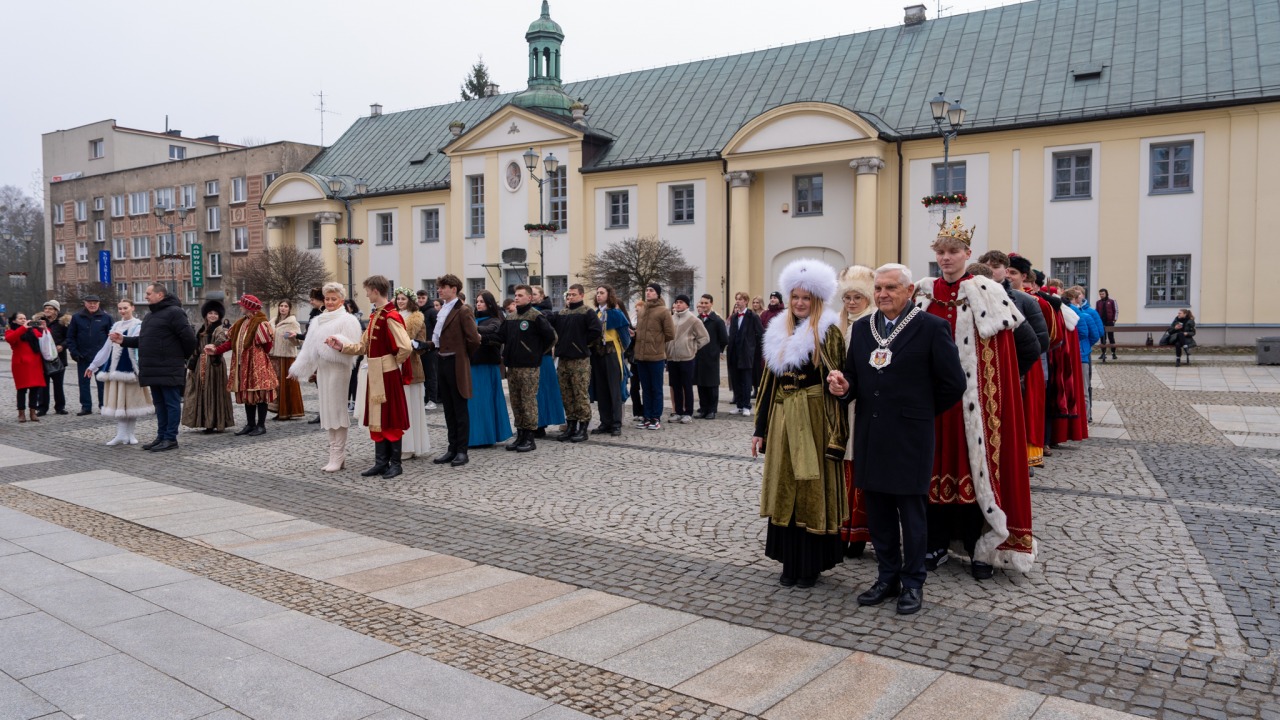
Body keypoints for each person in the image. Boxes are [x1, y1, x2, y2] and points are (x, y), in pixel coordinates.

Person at [827, 264, 966, 614]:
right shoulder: (862, 329)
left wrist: (919, 412)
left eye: (891, 288)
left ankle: (913, 582)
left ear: (909, 292)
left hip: (911, 437)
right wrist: (844, 388)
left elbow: (953, 384)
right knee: (879, 513)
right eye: (879, 288)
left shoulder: (931, 327)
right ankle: (886, 576)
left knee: (912, 515)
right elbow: (854, 377)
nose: (883, 294)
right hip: (871, 435)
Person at [914, 217, 1037, 579]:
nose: (946, 258)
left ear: (968, 254)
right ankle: (933, 543)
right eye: (941, 252)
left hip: (977, 407)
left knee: (975, 467)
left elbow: (1012, 351)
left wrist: (1001, 392)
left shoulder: (986, 292)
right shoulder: (922, 294)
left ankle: (977, 546)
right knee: (931, 469)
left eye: (953, 251)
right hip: (932, 403)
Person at [751, 259, 848, 589]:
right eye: (795, 297)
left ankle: (810, 563)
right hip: (781, 418)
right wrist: (759, 429)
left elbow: (838, 381)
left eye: (806, 298)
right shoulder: (778, 330)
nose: (800, 303)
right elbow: (768, 384)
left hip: (814, 418)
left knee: (811, 485)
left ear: (817, 300)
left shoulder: (827, 332)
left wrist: (837, 433)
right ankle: (789, 559)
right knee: (784, 483)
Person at [328, 275, 412, 478]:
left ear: (375, 290)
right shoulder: (376, 316)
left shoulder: (391, 316)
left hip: (386, 374)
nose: (365, 294)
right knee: (378, 417)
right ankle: (381, 462)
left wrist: (392, 363)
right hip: (375, 373)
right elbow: (363, 346)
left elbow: (406, 346)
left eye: (367, 290)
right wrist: (342, 346)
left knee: (390, 418)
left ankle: (396, 464)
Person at [114, 283, 198, 452]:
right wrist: (124, 340)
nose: (145, 296)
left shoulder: (175, 312)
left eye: (148, 293)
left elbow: (189, 339)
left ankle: (170, 438)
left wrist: (180, 358)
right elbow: (145, 341)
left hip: (169, 367)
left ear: (160, 295)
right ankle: (161, 436)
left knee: (171, 404)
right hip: (153, 369)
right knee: (159, 405)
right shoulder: (151, 316)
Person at [290, 282, 362, 471]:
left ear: (341, 300)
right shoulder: (317, 320)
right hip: (323, 369)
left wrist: (338, 343)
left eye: (333, 299)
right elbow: (308, 348)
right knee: (327, 410)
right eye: (327, 299)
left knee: (337, 409)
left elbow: (354, 347)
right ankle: (334, 454)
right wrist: (298, 369)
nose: (330, 302)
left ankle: (338, 454)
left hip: (338, 368)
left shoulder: (348, 320)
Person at [835, 265, 877, 559]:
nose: (851, 302)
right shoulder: (841, 325)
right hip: (842, 405)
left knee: (860, 463)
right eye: (847, 297)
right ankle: (843, 526)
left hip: (863, 406)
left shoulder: (871, 324)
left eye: (857, 297)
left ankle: (860, 531)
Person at [206, 294, 278, 438]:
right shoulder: (241, 323)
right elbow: (230, 343)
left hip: (256, 364)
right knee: (246, 393)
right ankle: (250, 424)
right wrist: (216, 349)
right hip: (241, 364)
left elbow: (268, 345)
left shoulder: (260, 324)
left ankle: (261, 425)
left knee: (259, 393)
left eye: (242, 305)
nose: (240, 307)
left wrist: (257, 357)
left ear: (248, 307)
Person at [429, 274, 481, 467]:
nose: (439, 290)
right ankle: (451, 448)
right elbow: (437, 337)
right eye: (439, 287)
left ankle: (462, 451)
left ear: (453, 288)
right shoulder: (443, 309)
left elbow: (474, 339)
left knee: (460, 409)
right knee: (449, 409)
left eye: (443, 287)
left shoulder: (463, 309)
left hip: (456, 362)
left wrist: (462, 355)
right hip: (442, 361)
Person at [85, 299, 152, 445]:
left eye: (125, 308)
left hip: (131, 369)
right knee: (119, 403)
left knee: (132, 403)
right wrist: (93, 365)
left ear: (132, 308)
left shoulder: (138, 325)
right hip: (115, 369)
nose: (122, 311)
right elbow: (106, 348)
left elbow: (140, 345)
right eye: (120, 308)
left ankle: (130, 434)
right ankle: (121, 434)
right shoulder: (116, 325)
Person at [502, 284, 557, 452]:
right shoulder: (511, 317)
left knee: (528, 402)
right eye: (515, 295)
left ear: (529, 298)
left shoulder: (536, 316)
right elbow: (500, 336)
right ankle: (520, 435)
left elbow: (551, 337)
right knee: (516, 402)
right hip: (513, 366)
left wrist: (536, 353)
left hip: (529, 367)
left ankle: (530, 437)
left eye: (520, 295)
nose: (516, 298)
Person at [551, 284, 601, 442]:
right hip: (564, 358)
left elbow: (596, 331)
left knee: (580, 394)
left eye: (573, 295)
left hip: (579, 359)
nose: (570, 297)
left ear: (581, 295)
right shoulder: (562, 313)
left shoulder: (587, 312)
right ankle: (571, 425)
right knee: (566, 394)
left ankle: (583, 427)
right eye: (568, 295)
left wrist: (581, 343)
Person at [467, 291, 513, 447]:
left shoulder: (495, 320)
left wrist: (473, 330)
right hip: (473, 365)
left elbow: (493, 332)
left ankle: (486, 436)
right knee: (474, 403)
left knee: (485, 402)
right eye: (477, 301)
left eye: (482, 301)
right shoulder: (473, 320)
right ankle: (475, 436)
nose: (478, 304)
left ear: (489, 303)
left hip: (486, 366)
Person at [182, 300, 235, 433]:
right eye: (210, 313)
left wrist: (214, 347)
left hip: (214, 365)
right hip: (201, 362)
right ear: (206, 315)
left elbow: (223, 343)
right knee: (202, 392)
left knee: (213, 392)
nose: (212, 315)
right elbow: (196, 347)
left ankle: (213, 422)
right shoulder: (202, 328)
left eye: (215, 313)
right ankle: (206, 421)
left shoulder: (219, 329)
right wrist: (192, 364)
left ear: (219, 316)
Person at [394, 287, 431, 459]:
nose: (400, 301)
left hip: (411, 366)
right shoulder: (393, 317)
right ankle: (398, 444)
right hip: (394, 365)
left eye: (403, 298)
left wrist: (412, 343)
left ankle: (411, 446)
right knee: (398, 407)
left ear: (410, 300)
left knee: (410, 407)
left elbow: (422, 346)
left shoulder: (417, 319)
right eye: (398, 298)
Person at [633, 284, 675, 430]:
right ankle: (647, 416)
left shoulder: (663, 311)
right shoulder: (642, 309)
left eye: (651, 291)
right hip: (641, 355)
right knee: (645, 388)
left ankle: (655, 417)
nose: (648, 293)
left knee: (656, 388)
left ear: (658, 293)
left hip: (656, 356)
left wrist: (656, 342)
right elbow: (640, 329)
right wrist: (636, 334)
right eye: (647, 290)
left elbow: (670, 334)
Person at [590, 285, 630, 436]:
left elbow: (625, 336)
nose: (598, 295)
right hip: (597, 354)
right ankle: (605, 422)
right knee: (601, 390)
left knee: (614, 389)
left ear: (609, 295)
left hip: (612, 354)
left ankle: (616, 423)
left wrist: (621, 350)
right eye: (597, 293)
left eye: (602, 293)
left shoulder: (615, 314)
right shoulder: (596, 314)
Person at [65, 294, 112, 416]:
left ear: (99, 304)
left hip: (101, 357)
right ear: (85, 303)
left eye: (95, 303)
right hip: (83, 356)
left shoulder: (106, 318)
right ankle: (86, 407)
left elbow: (111, 337)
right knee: (84, 383)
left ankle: (104, 405)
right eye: (90, 303)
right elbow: (70, 337)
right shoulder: (77, 317)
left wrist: (108, 354)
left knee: (102, 383)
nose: (92, 305)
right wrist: (74, 353)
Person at [666, 294, 709, 423]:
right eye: (676, 302)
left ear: (687, 305)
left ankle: (688, 412)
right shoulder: (670, 318)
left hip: (687, 358)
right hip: (672, 358)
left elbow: (705, 338)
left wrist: (693, 348)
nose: (678, 304)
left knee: (687, 386)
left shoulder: (693, 320)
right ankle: (678, 411)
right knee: (675, 385)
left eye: (681, 302)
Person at [529, 285, 566, 437]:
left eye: (535, 293)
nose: (532, 296)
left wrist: (543, 349)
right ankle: (533, 423)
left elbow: (551, 336)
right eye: (530, 293)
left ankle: (540, 424)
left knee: (542, 391)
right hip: (530, 357)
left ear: (542, 296)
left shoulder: (546, 313)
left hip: (542, 357)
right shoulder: (527, 311)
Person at [1065, 286, 1103, 423]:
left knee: (1085, 386)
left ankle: (1087, 416)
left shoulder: (1088, 313)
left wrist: (1085, 346)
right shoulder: (1076, 312)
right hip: (1077, 353)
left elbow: (1094, 334)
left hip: (1083, 353)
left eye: (1079, 294)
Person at [726, 291, 763, 416]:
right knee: (736, 380)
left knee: (746, 380)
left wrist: (753, 349)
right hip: (734, 353)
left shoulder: (752, 316)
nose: (738, 301)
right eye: (736, 299)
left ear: (746, 301)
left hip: (747, 354)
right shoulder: (735, 316)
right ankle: (739, 405)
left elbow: (761, 334)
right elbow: (731, 335)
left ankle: (747, 405)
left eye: (740, 299)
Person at [6, 313, 46, 423]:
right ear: (14, 321)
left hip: (35, 364)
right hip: (21, 364)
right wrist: (23, 328)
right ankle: (21, 413)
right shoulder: (12, 331)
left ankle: (33, 412)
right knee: (21, 389)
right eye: (20, 318)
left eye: (24, 318)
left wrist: (44, 329)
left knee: (35, 389)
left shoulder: (32, 330)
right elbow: (10, 339)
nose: (23, 320)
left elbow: (43, 338)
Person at [694, 294, 728, 419]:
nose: (703, 305)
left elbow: (724, 339)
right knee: (701, 383)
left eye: (706, 303)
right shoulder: (697, 320)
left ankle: (712, 409)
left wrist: (717, 350)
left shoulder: (717, 321)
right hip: (699, 355)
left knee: (712, 384)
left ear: (711, 304)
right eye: (701, 303)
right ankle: (703, 408)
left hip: (711, 356)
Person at [270, 300, 305, 421]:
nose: (283, 308)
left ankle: (290, 411)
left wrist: (292, 337)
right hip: (274, 356)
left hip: (287, 356)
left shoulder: (292, 322)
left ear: (289, 309)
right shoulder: (273, 322)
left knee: (287, 385)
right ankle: (279, 410)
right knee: (277, 385)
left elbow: (299, 341)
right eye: (281, 306)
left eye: (285, 306)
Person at [35, 299, 70, 416]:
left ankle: (60, 407)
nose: (47, 311)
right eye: (45, 308)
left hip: (58, 358)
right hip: (43, 357)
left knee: (58, 384)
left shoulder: (63, 322)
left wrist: (62, 346)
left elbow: (69, 338)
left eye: (50, 309)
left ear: (56, 310)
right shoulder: (39, 321)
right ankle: (42, 408)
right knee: (43, 385)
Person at [297, 288, 325, 424]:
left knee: (325, 385)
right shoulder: (314, 313)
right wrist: (295, 335)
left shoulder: (323, 313)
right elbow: (308, 335)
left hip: (323, 353)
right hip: (315, 353)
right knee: (319, 384)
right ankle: (323, 412)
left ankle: (326, 413)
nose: (310, 301)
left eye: (313, 299)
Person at [417, 289, 440, 410]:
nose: (420, 300)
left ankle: (432, 399)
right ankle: (425, 398)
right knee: (423, 375)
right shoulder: (417, 312)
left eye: (423, 298)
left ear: (426, 299)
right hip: (419, 348)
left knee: (431, 374)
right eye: (419, 298)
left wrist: (433, 344)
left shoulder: (432, 312)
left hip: (430, 348)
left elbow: (437, 330)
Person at [628, 299, 646, 421]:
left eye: (639, 309)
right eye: (635, 309)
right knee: (634, 387)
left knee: (645, 386)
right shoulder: (632, 322)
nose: (636, 311)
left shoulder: (646, 322)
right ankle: (637, 411)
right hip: (634, 359)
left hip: (644, 358)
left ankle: (645, 411)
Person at [1096, 288, 1118, 362]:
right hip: (1101, 322)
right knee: (1102, 338)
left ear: (1106, 294)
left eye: (1103, 294)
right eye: (1100, 294)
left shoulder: (1111, 301)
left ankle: (1113, 353)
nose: (1101, 295)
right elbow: (1096, 312)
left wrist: (1114, 319)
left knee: (1111, 337)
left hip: (1110, 321)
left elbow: (1116, 310)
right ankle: (1103, 353)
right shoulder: (1098, 302)